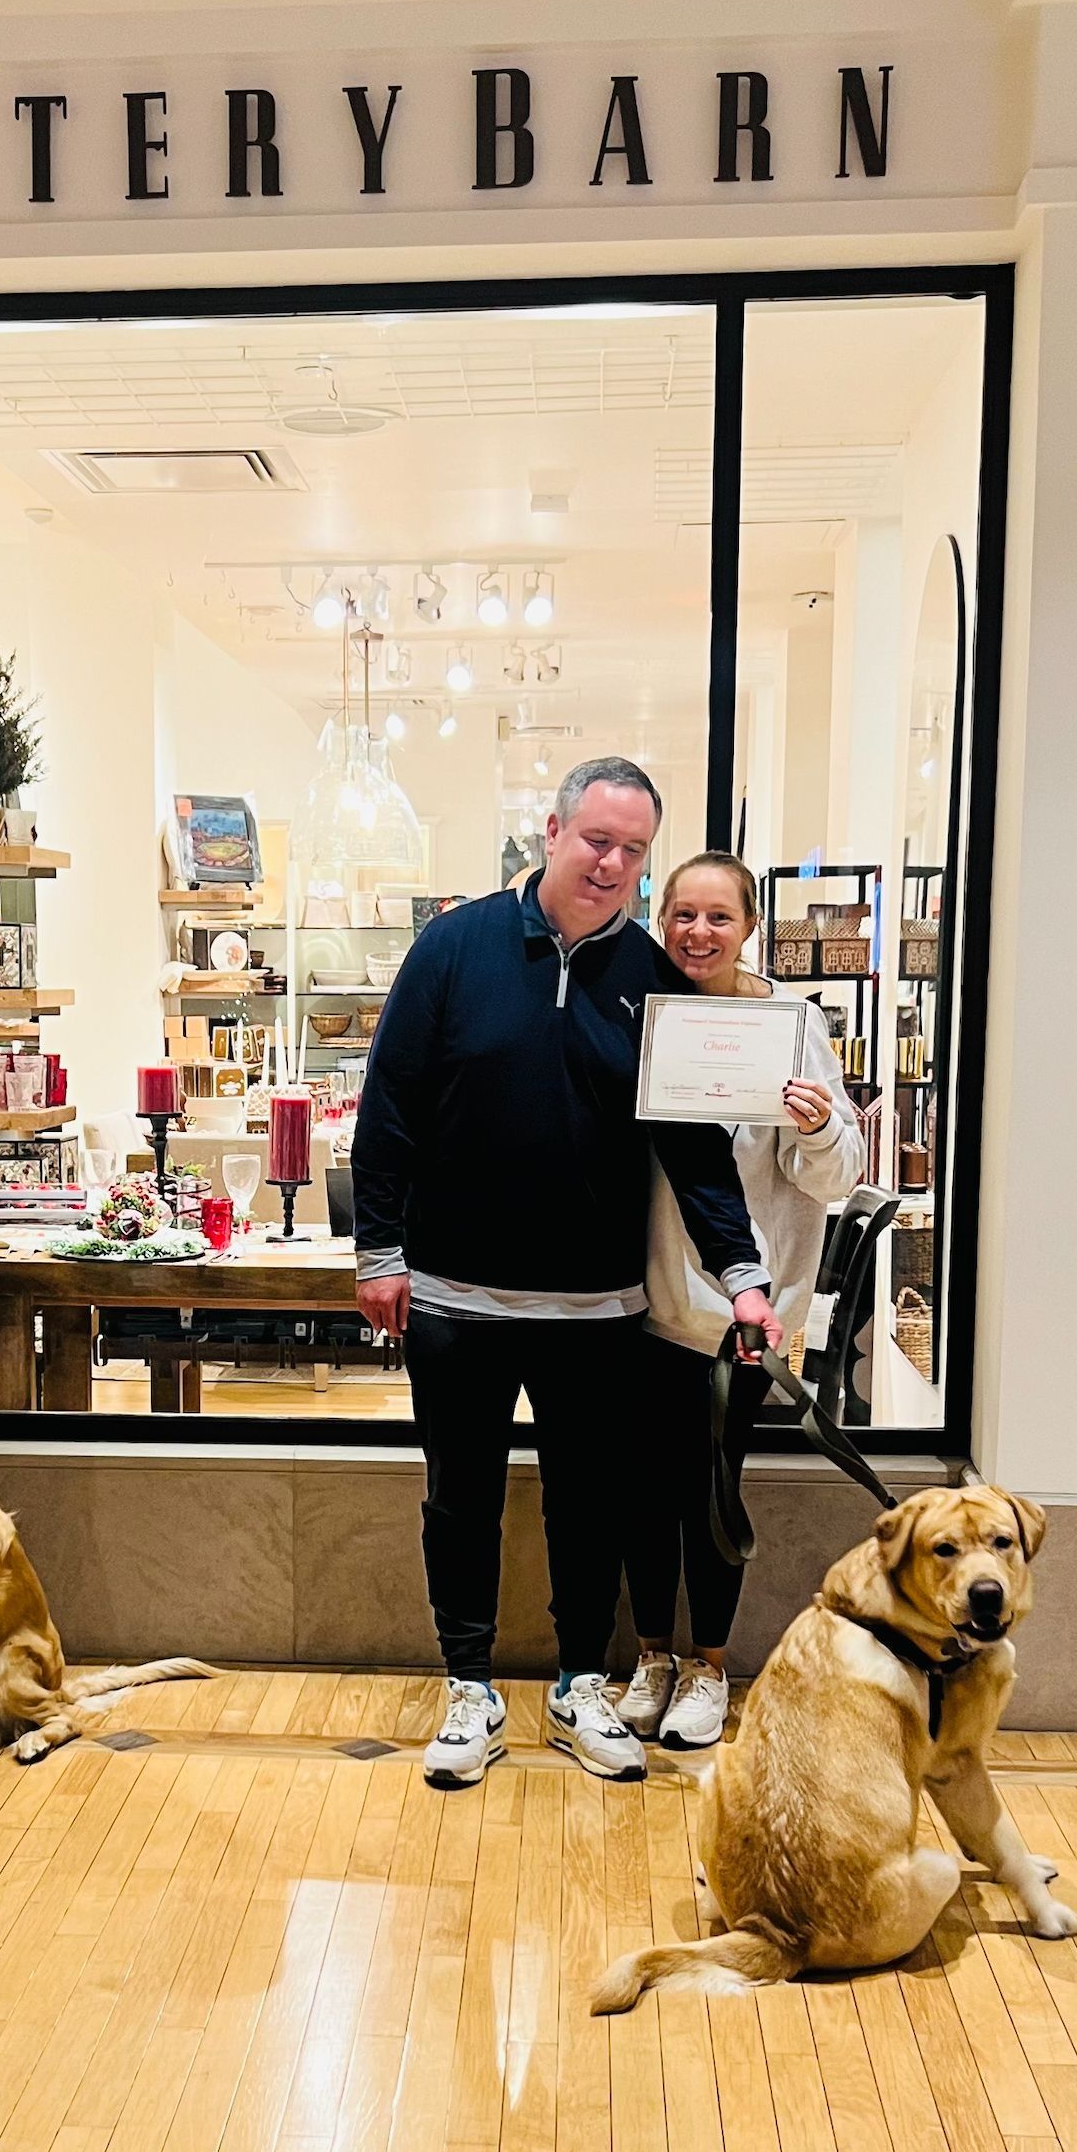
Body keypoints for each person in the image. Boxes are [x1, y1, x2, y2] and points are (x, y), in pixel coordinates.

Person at [352, 760, 783, 1788]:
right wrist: (378, 1252)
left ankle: (580, 1682)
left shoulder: (653, 980)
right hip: (453, 1295)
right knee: (458, 1500)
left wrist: (742, 1275)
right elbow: (390, 1101)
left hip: (597, 1308)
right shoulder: (452, 947)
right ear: (549, 831)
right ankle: (468, 1687)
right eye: (596, 840)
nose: (611, 864)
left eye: (633, 850)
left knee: (587, 1506)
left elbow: (693, 1150)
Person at [618, 851, 862, 1751]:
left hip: (740, 1314)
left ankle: (710, 1665)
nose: (698, 933)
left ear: (751, 927)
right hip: (639, 1299)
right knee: (643, 1493)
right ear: (661, 922)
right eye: (682, 915)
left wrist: (817, 1125)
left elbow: (835, 1177)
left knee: (711, 1493)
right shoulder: (643, 1016)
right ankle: (652, 1656)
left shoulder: (792, 1026)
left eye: (719, 917)